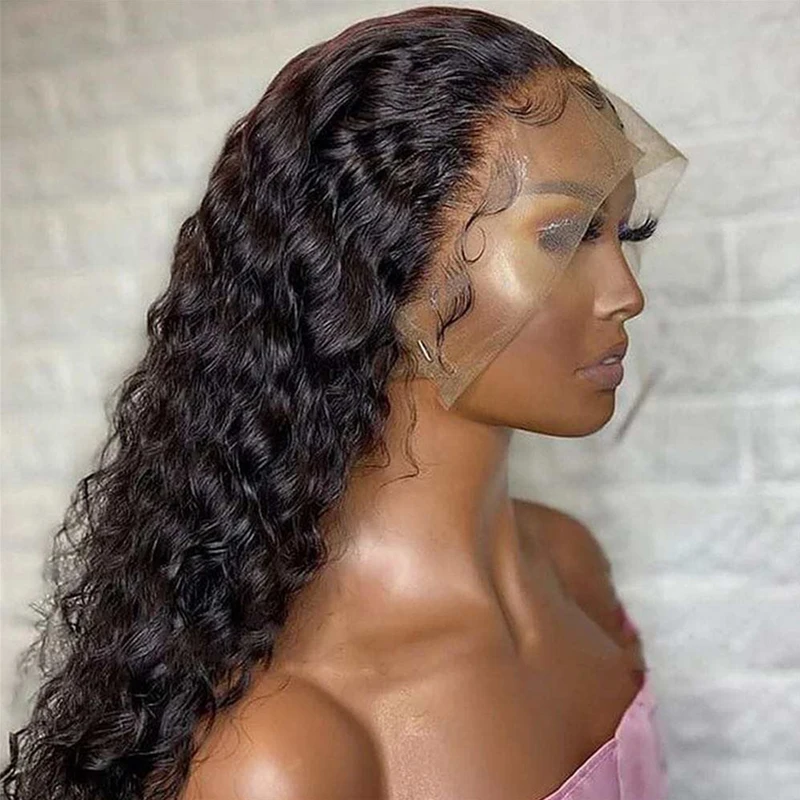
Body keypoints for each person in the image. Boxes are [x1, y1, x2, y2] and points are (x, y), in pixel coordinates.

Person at [1, 6, 686, 800]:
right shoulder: (290, 751)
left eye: (623, 233)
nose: (626, 294)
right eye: (564, 236)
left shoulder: (573, 567)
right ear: (380, 258)